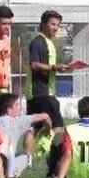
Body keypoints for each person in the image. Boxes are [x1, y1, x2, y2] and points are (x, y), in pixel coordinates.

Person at [27, 10, 68, 152]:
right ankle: (55, 160)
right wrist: (55, 67)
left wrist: (58, 68)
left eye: (58, 25)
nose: (56, 28)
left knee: (34, 128)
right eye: (52, 24)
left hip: (39, 92)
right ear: (43, 24)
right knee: (59, 127)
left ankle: (28, 159)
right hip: (41, 91)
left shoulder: (49, 42)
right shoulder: (38, 42)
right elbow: (34, 64)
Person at [0, 93, 51, 178]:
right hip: (5, 164)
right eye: (17, 105)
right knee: (26, 156)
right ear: (9, 110)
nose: (20, 108)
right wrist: (48, 130)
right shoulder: (19, 121)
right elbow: (45, 116)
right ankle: (11, 175)